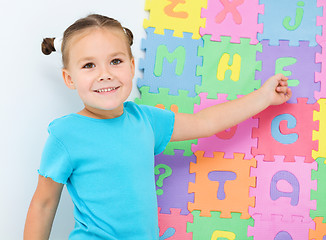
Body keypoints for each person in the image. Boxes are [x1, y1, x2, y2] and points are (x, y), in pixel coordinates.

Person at [24, 14, 292, 240]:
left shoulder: (145, 120)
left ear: (131, 66)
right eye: (89, 65)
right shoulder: (66, 135)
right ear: (69, 79)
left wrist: (263, 97)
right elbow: (44, 203)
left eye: (115, 61)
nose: (104, 73)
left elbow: (205, 122)